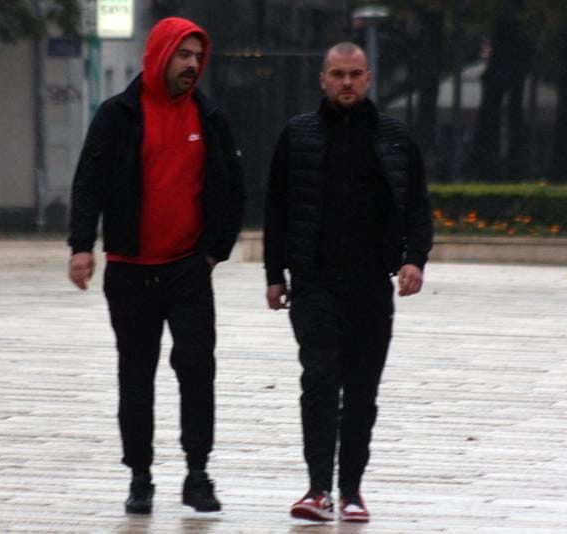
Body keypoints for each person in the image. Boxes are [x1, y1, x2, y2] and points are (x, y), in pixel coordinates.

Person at [67, 17, 245, 515]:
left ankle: (198, 473)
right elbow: (89, 181)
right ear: (160, 55)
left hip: (188, 269)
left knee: (197, 366)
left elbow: (234, 187)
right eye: (183, 55)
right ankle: (140, 476)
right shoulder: (117, 115)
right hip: (129, 270)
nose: (192, 65)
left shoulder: (209, 116)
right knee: (136, 374)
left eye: (197, 57)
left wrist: (215, 251)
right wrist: (81, 245)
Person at [263, 42, 433, 523]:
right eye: (337, 74)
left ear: (368, 78)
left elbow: (417, 205)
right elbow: (276, 208)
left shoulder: (394, 138)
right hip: (314, 283)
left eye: (355, 74)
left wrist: (415, 260)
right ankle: (318, 489)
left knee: (361, 391)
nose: (346, 82)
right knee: (319, 380)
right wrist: (274, 275)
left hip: (371, 285)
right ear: (322, 79)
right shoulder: (298, 135)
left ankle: (352, 490)